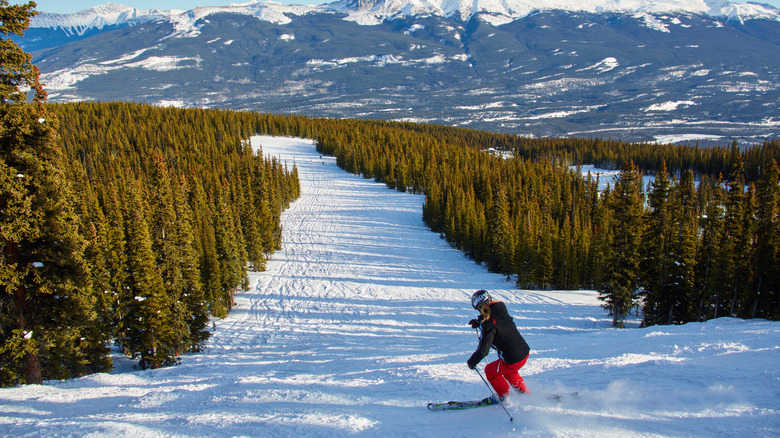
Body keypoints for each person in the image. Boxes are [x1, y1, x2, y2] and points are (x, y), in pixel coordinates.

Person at [466, 289, 530, 399]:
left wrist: (472, 361)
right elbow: (496, 322)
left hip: (512, 359)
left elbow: (483, 351)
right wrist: (479, 323)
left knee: (490, 371)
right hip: (523, 352)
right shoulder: (500, 308)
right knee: (510, 373)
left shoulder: (488, 324)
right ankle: (525, 395)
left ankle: (505, 397)